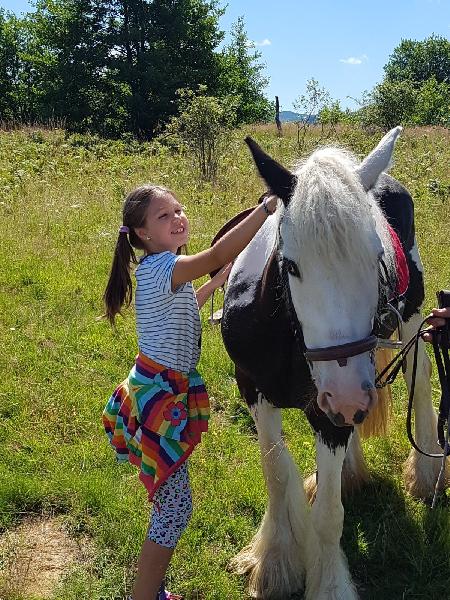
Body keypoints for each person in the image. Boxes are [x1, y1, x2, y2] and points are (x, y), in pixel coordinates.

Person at [102, 184, 278, 600]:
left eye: (178, 210)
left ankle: (153, 588)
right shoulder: (165, 267)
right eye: (164, 216)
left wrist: (219, 280)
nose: (177, 218)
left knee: (169, 503)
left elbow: (187, 301)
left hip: (160, 388)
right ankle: (143, 596)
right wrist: (265, 208)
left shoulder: (161, 269)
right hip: (159, 398)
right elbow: (215, 254)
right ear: (142, 233)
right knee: (176, 508)